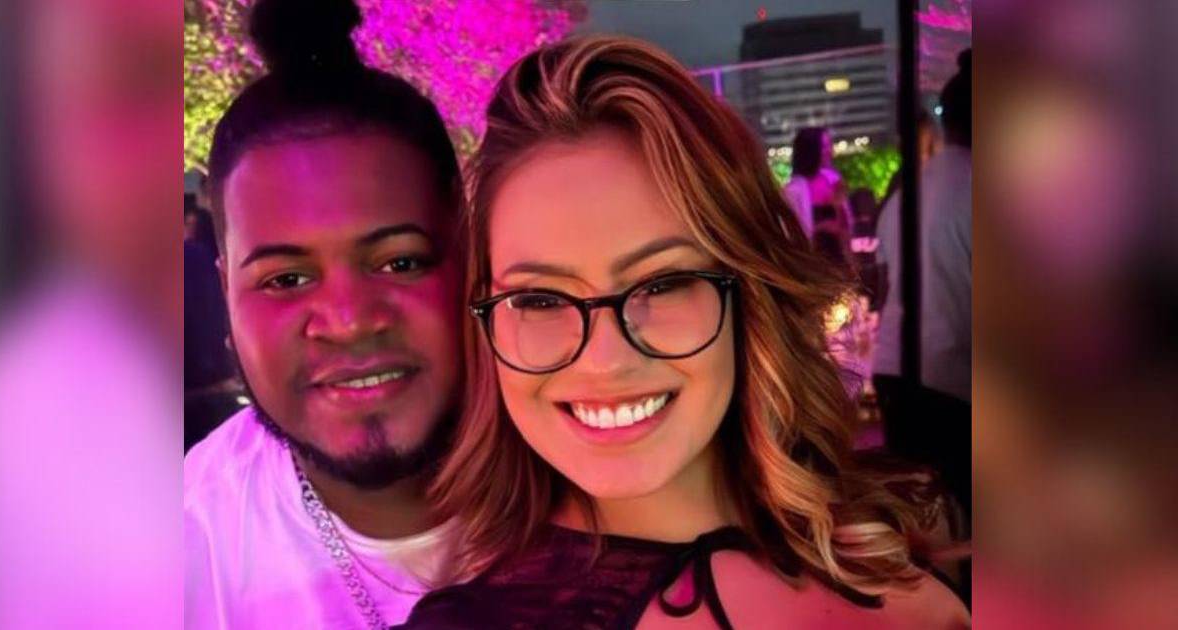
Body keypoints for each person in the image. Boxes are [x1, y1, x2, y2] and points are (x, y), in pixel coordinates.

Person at [399, 35, 969, 629]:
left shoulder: (910, 548)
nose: (605, 359)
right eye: (539, 298)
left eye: (662, 284)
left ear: (749, 293)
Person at [184, 0, 466, 627]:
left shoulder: (606, 479)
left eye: (400, 262)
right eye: (285, 279)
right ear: (226, 292)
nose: (348, 319)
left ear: (471, 252)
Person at [873, 49, 972, 519]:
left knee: (927, 520)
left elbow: (885, 285)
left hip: (896, 370)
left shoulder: (908, 191)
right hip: (951, 382)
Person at [785, 126, 851, 239]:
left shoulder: (833, 180)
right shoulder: (793, 191)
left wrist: (840, 204)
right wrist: (821, 228)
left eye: (830, 145)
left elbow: (847, 226)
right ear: (810, 151)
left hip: (837, 248)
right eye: (824, 147)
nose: (830, 151)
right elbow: (792, 232)